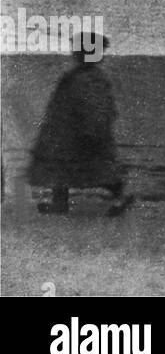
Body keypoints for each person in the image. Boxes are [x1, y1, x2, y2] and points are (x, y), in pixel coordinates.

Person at [29, 32, 133, 216]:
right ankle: (59, 204)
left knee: (98, 170)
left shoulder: (90, 79)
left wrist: (93, 130)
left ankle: (119, 198)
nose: (74, 53)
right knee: (62, 170)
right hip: (66, 133)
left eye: (78, 50)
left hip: (81, 133)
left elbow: (96, 108)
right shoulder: (81, 77)